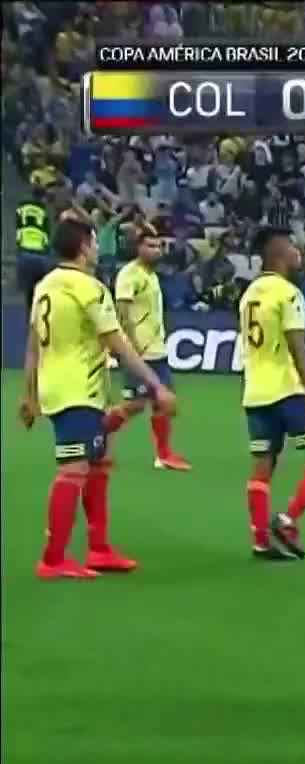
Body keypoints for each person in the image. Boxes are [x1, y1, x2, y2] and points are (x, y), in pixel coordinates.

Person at [18, 218, 178, 579]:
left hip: (59, 387)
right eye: (93, 241)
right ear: (83, 246)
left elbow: (32, 346)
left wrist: (28, 394)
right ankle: (53, 559)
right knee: (73, 470)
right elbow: (119, 344)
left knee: (101, 461)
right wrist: (157, 386)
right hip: (78, 390)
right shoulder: (89, 288)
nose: (96, 248)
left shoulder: (45, 285)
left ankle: (99, 548)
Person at [240, 227, 305, 561]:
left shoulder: (250, 293)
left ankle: (260, 541)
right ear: (279, 255)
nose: (299, 254)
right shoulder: (288, 293)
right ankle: (287, 520)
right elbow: (298, 346)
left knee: (262, 467)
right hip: (287, 390)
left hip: (255, 392)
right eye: (293, 249)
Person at [105, 228, 191, 470]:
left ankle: (163, 455)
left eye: (158, 246)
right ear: (138, 248)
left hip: (157, 350)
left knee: (164, 403)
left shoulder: (151, 275)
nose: (156, 250)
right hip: (139, 351)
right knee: (136, 404)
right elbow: (122, 312)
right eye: (150, 246)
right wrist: (131, 346)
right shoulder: (129, 274)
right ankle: (97, 431)